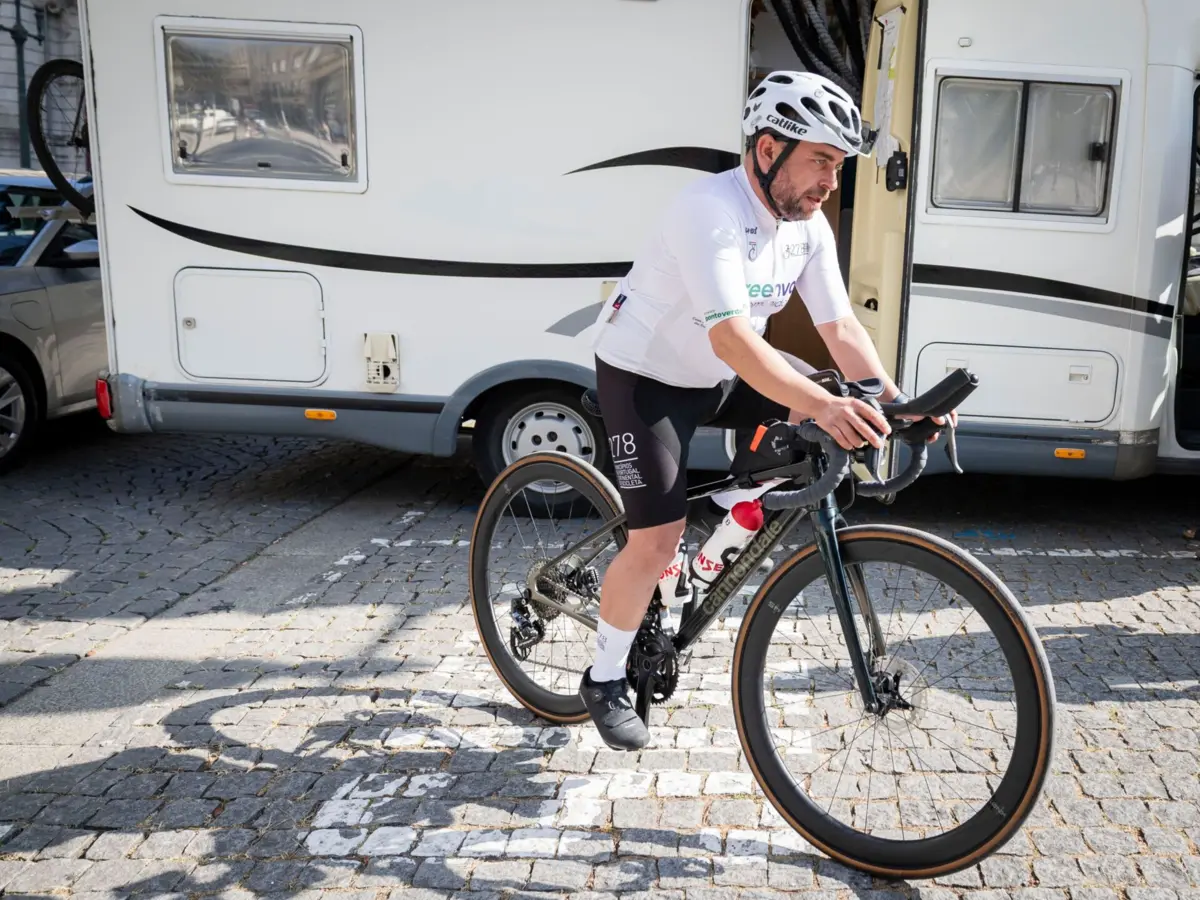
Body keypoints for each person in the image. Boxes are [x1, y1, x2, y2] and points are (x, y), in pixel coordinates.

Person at [578, 70, 957, 751]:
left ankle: (702, 557)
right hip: (645, 378)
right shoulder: (708, 211)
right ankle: (604, 677)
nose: (829, 183)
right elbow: (730, 333)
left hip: (722, 371)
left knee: (820, 417)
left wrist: (896, 404)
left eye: (837, 167)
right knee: (655, 539)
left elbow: (839, 328)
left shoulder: (806, 228)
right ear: (767, 150)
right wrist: (820, 400)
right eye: (820, 161)